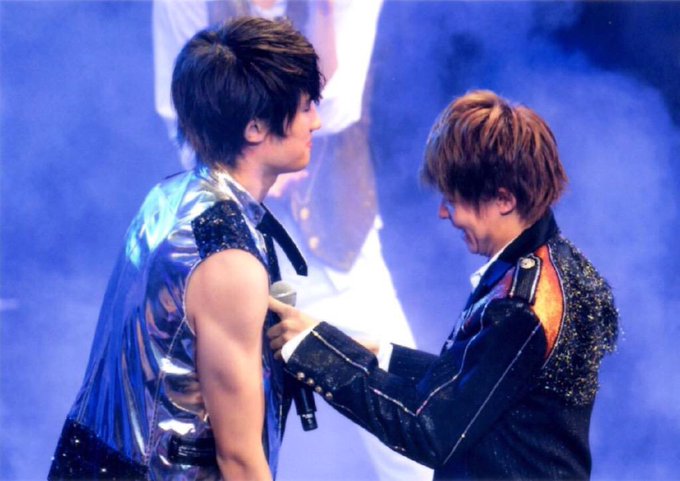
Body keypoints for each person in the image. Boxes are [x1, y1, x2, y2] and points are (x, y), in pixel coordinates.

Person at [268, 90, 619, 480]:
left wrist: (316, 354)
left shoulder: (523, 306)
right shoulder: (558, 266)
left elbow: (430, 431)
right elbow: (481, 382)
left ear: (503, 199)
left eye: (452, 199)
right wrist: (375, 353)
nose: (443, 213)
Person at [152, 1, 433, 480]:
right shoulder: (218, 255)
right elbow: (177, 107)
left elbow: (337, 109)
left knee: (410, 437)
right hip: (234, 239)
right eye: (301, 110)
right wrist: (242, 171)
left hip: (339, 242)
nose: (312, 120)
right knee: (227, 428)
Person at [48, 17, 322, 480]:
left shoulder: (168, 196)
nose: (316, 121)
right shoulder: (229, 261)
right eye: (306, 107)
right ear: (255, 127)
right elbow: (239, 458)